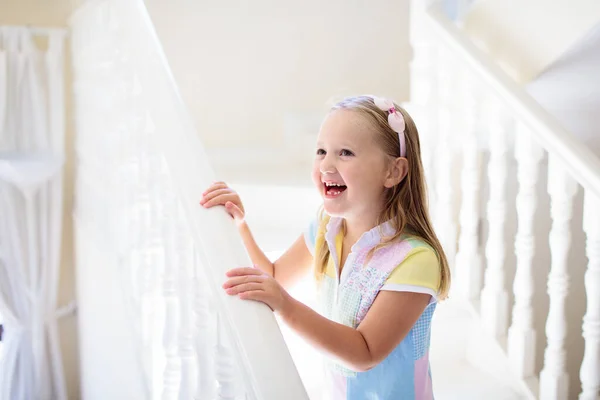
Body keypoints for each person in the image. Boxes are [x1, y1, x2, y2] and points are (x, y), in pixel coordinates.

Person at [200, 95, 450, 399]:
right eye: (321, 151)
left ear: (393, 172)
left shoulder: (415, 258)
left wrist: (287, 306)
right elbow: (275, 277)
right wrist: (239, 225)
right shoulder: (326, 229)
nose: (326, 164)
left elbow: (365, 351)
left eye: (345, 153)